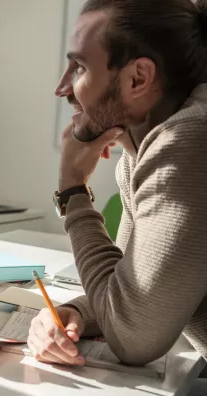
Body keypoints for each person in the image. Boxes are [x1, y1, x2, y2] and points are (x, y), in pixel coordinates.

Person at [27, 0, 207, 372]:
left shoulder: (186, 139)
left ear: (138, 78)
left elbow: (133, 337)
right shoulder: (138, 153)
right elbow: (129, 288)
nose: (62, 88)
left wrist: (73, 190)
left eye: (79, 67)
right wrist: (75, 311)